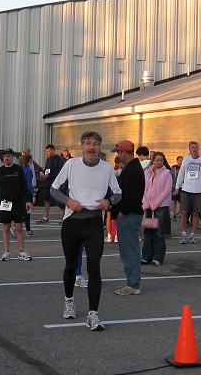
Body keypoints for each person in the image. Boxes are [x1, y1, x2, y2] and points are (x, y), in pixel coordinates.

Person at [49, 131, 121, 331]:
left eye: (96, 144)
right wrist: (69, 201)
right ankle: (69, 301)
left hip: (93, 223)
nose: (92, 147)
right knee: (71, 265)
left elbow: (117, 193)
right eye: (88, 143)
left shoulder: (106, 168)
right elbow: (54, 189)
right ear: (81, 146)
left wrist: (108, 201)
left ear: (100, 148)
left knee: (94, 268)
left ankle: (93, 314)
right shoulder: (71, 165)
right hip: (72, 222)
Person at [112, 139, 145, 296]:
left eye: (119, 152)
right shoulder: (133, 168)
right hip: (130, 214)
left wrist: (121, 211)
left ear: (125, 152)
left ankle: (133, 284)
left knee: (130, 250)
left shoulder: (132, 170)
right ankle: (131, 281)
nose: (118, 155)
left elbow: (131, 196)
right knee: (128, 250)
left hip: (129, 215)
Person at [0, 149, 33, 261]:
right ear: (3, 158)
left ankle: (21, 251)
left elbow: (24, 186)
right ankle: (6, 252)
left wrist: (28, 200)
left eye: (9, 156)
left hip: (18, 202)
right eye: (5, 156)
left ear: (12, 157)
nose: (7, 158)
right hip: (5, 202)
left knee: (19, 227)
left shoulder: (18, 169)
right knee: (6, 227)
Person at [175, 141, 201, 244]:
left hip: (199, 191)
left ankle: (193, 234)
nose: (194, 149)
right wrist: (177, 186)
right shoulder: (186, 160)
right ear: (189, 149)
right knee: (184, 212)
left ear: (198, 149)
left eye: (196, 147)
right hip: (186, 190)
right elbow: (181, 174)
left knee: (196, 213)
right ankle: (183, 233)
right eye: (192, 148)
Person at [141, 152, 172, 267]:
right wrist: (145, 203)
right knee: (148, 231)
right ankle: (146, 256)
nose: (159, 162)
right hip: (148, 205)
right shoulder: (147, 172)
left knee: (159, 233)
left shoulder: (167, 173)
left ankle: (158, 257)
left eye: (161, 160)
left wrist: (155, 203)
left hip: (161, 206)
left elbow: (167, 190)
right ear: (152, 161)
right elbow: (144, 188)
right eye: (157, 160)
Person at [39, 144, 64, 223]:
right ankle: (45, 217)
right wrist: (43, 174)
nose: (48, 153)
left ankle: (65, 215)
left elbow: (59, 171)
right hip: (47, 183)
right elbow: (46, 169)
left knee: (57, 200)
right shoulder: (48, 159)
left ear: (53, 150)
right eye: (46, 151)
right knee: (46, 199)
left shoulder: (58, 159)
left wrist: (49, 175)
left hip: (54, 183)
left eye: (49, 151)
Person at [19, 154, 36, 237]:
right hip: (27, 193)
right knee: (27, 212)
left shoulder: (21, 169)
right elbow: (29, 184)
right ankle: (28, 230)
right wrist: (33, 193)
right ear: (29, 160)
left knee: (22, 211)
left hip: (20, 192)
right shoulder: (28, 170)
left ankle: (18, 226)